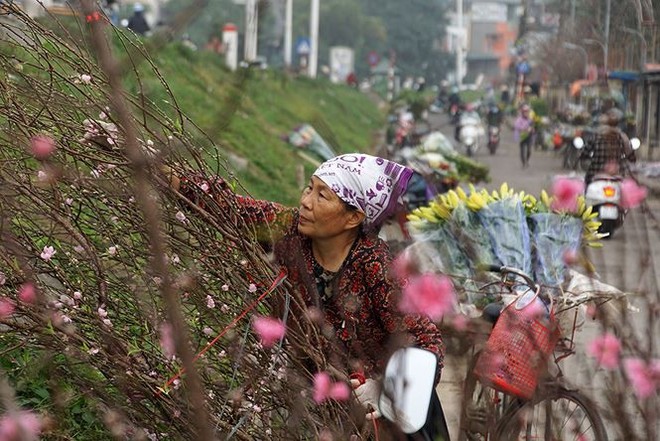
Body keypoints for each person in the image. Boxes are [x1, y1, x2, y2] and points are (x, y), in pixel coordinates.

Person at [169, 154, 449, 439]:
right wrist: (167, 175)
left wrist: (384, 389)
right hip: (318, 396)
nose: (306, 201)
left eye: (322, 195)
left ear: (353, 217)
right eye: (309, 188)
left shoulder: (378, 267)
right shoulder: (291, 232)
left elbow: (425, 339)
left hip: (383, 413)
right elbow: (231, 209)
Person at [585, 108, 636, 186]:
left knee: (587, 186)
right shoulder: (622, 136)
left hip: (596, 172)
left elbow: (586, 151)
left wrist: (584, 156)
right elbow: (629, 152)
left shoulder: (596, 135)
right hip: (617, 173)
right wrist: (632, 158)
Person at [514, 104, 535, 168]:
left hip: (529, 136)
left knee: (529, 150)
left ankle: (527, 160)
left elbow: (532, 127)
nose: (526, 113)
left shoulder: (530, 119)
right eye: (525, 112)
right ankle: (523, 163)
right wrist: (523, 129)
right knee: (522, 151)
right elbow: (516, 126)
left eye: (527, 112)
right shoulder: (519, 119)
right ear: (522, 112)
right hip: (522, 137)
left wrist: (532, 129)